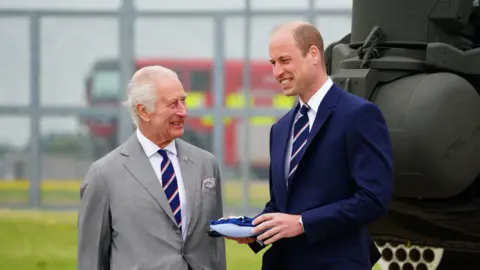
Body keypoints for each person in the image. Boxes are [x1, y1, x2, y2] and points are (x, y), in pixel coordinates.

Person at [228, 21, 394, 269]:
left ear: (314, 54)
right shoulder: (281, 128)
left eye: (285, 60)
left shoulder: (359, 115)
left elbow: (373, 198)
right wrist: (254, 230)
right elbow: (281, 206)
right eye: (273, 63)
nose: (277, 72)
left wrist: (303, 222)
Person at [77, 66, 226, 270]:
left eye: (183, 100)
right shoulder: (104, 175)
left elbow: (215, 249)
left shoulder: (206, 164)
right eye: (173, 104)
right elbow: (91, 260)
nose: (183, 112)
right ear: (143, 111)